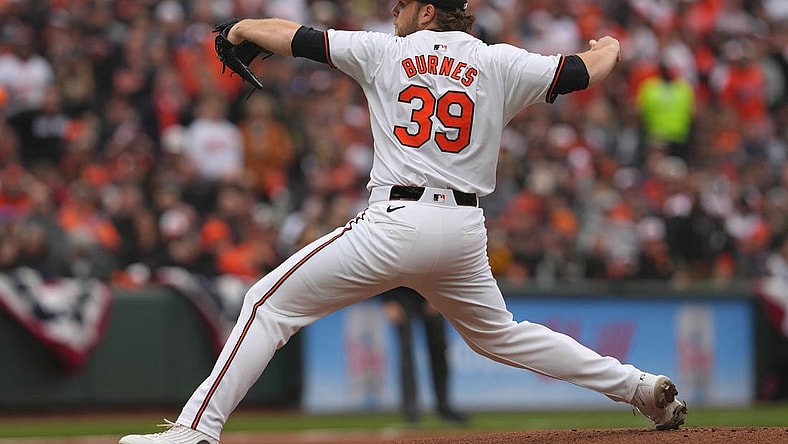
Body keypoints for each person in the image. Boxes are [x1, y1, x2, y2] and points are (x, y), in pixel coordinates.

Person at [119, 1, 687, 442]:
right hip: (464, 231)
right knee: (504, 336)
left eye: (403, 4)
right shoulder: (499, 60)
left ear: (428, 12)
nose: (394, 11)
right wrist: (611, 45)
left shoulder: (385, 52)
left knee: (268, 305)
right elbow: (582, 73)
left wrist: (239, 28)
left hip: (396, 222)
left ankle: (195, 430)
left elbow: (293, 36)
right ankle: (638, 388)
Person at [380, 287, 467, 426]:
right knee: (406, 352)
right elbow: (385, 267)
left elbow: (441, 265)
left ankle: (444, 406)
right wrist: (389, 300)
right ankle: (410, 409)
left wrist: (437, 295)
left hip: (430, 290)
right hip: (401, 294)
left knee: (439, 348)